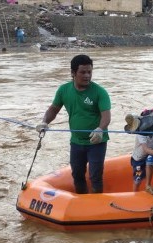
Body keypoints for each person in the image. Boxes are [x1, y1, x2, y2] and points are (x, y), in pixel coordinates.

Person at [36, 54, 111, 194]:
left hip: (96, 142)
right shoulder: (63, 90)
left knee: (95, 176)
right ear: (73, 73)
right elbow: (53, 109)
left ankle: (97, 207)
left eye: (89, 72)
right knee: (77, 174)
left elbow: (106, 116)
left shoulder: (100, 92)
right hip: (76, 142)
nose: (87, 75)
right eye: (83, 72)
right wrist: (44, 122)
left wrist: (100, 129)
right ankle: (81, 203)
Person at [130, 109, 153, 195]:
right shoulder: (141, 132)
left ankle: (148, 185)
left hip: (152, 150)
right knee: (137, 179)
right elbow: (145, 149)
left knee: (150, 161)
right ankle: (134, 194)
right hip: (139, 158)